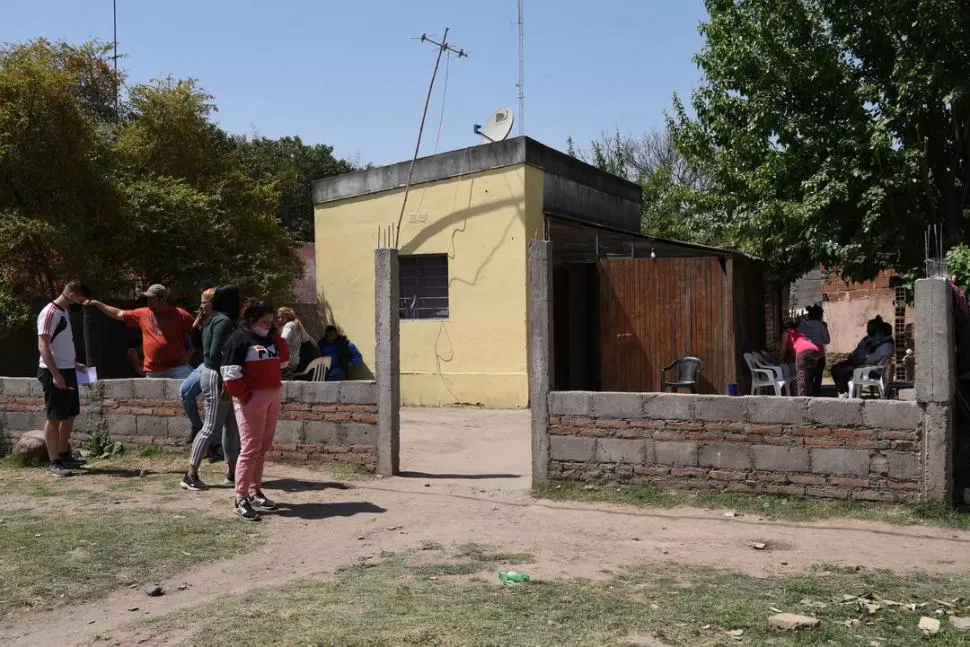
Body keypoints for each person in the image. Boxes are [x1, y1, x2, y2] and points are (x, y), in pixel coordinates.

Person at [221, 299, 289, 521]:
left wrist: (276, 335)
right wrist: (245, 397)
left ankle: (254, 490)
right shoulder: (239, 339)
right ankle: (240, 497)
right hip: (252, 399)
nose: (269, 325)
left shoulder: (269, 339)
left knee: (263, 445)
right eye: (265, 321)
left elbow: (285, 361)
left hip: (272, 395)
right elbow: (230, 373)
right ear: (251, 320)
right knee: (250, 447)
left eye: (272, 322)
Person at [182, 285, 242, 491]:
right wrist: (226, 379)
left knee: (231, 427)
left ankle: (233, 473)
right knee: (210, 427)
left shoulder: (214, 318)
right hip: (218, 376)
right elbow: (217, 354)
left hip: (219, 374)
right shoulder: (223, 321)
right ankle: (190, 474)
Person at [37, 280, 91, 477]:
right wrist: (56, 374)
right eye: (81, 298)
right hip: (54, 372)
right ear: (72, 294)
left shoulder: (64, 312)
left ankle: (63, 454)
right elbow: (43, 345)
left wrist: (74, 364)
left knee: (69, 414)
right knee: (54, 417)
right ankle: (53, 462)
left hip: (68, 369)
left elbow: (59, 345)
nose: (82, 302)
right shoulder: (50, 313)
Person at [86, 284, 195, 379]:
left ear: (162, 299)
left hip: (177, 369)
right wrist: (98, 304)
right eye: (147, 298)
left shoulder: (181, 315)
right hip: (153, 371)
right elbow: (118, 314)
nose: (148, 301)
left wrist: (188, 355)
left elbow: (199, 336)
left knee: (186, 396)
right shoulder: (142, 314)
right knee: (154, 402)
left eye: (152, 298)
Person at [179, 288, 222, 462]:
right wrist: (197, 323)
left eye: (204, 302)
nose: (201, 305)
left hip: (215, 366)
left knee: (217, 410)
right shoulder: (207, 320)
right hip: (205, 364)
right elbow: (197, 344)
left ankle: (215, 445)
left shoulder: (220, 321)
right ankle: (199, 428)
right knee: (185, 392)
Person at [831, 316, 895, 396]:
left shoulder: (886, 345)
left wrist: (863, 357)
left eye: (877, 332)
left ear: (882, 333)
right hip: (862, 365)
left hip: (868, 369)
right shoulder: (879, 342)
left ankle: (847, 392)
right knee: (836, 368)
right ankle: (846, 391)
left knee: (841, 370)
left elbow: (873, 359)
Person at [779, 319, 823, 396]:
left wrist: (779, 360)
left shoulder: (786, 332)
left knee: (801, 376)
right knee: (808, 376)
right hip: (815, 350)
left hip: (803, 351)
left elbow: (783, 349)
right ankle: (809, 395)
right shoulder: (799, 333)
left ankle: (801, 400)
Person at [277, 306, 318, 379]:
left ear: (288, 317)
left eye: (282, 317)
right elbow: (307, 338)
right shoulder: (298, 324)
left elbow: (283, 340)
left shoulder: (288, 325)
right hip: (295, 362)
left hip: (286, 363)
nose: (279, 319)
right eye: (278, 317)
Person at [798, 304, 830, 396]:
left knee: (807, 374)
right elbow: (827, 340)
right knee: (818, 375)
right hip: (818, 353)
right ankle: (816, 394)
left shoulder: (802, 326)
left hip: (805, 353)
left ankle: (807, 392)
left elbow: (799, 339)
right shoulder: (821, 325)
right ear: (820, 315)